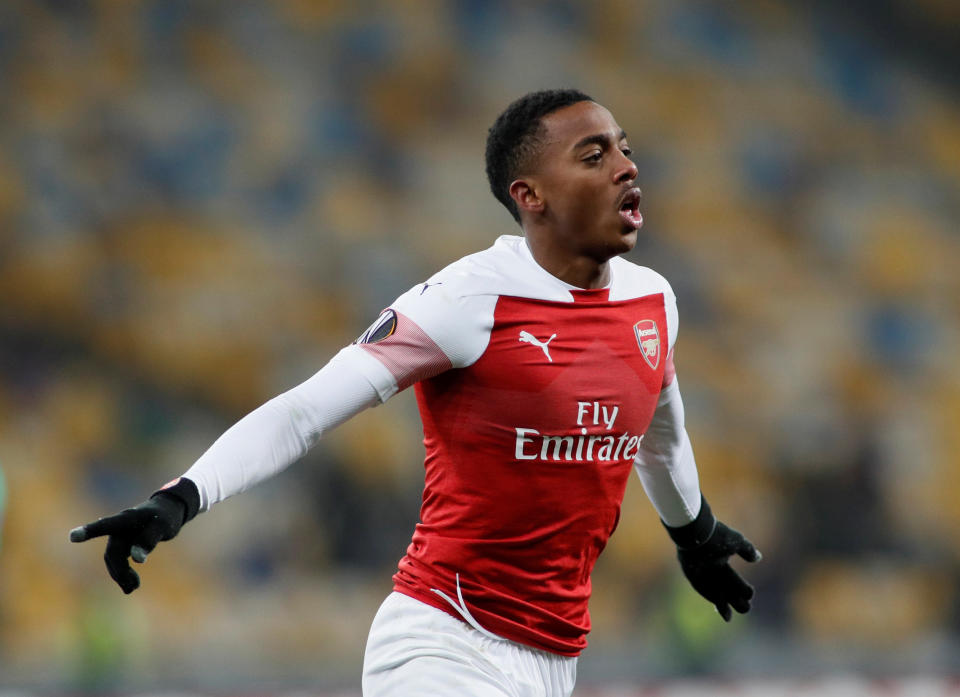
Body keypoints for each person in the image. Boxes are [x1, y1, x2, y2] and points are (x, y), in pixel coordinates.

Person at [71, 89, 760, 696]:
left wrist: (694, 533)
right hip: (443, 641)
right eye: (594, 155)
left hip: (555, 658)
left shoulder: (653, 303)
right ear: (530, 195)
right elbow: (308, 411)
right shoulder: (467, 300)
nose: (626, 166)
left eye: (625, 150)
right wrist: (180, 496)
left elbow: (659, 436)